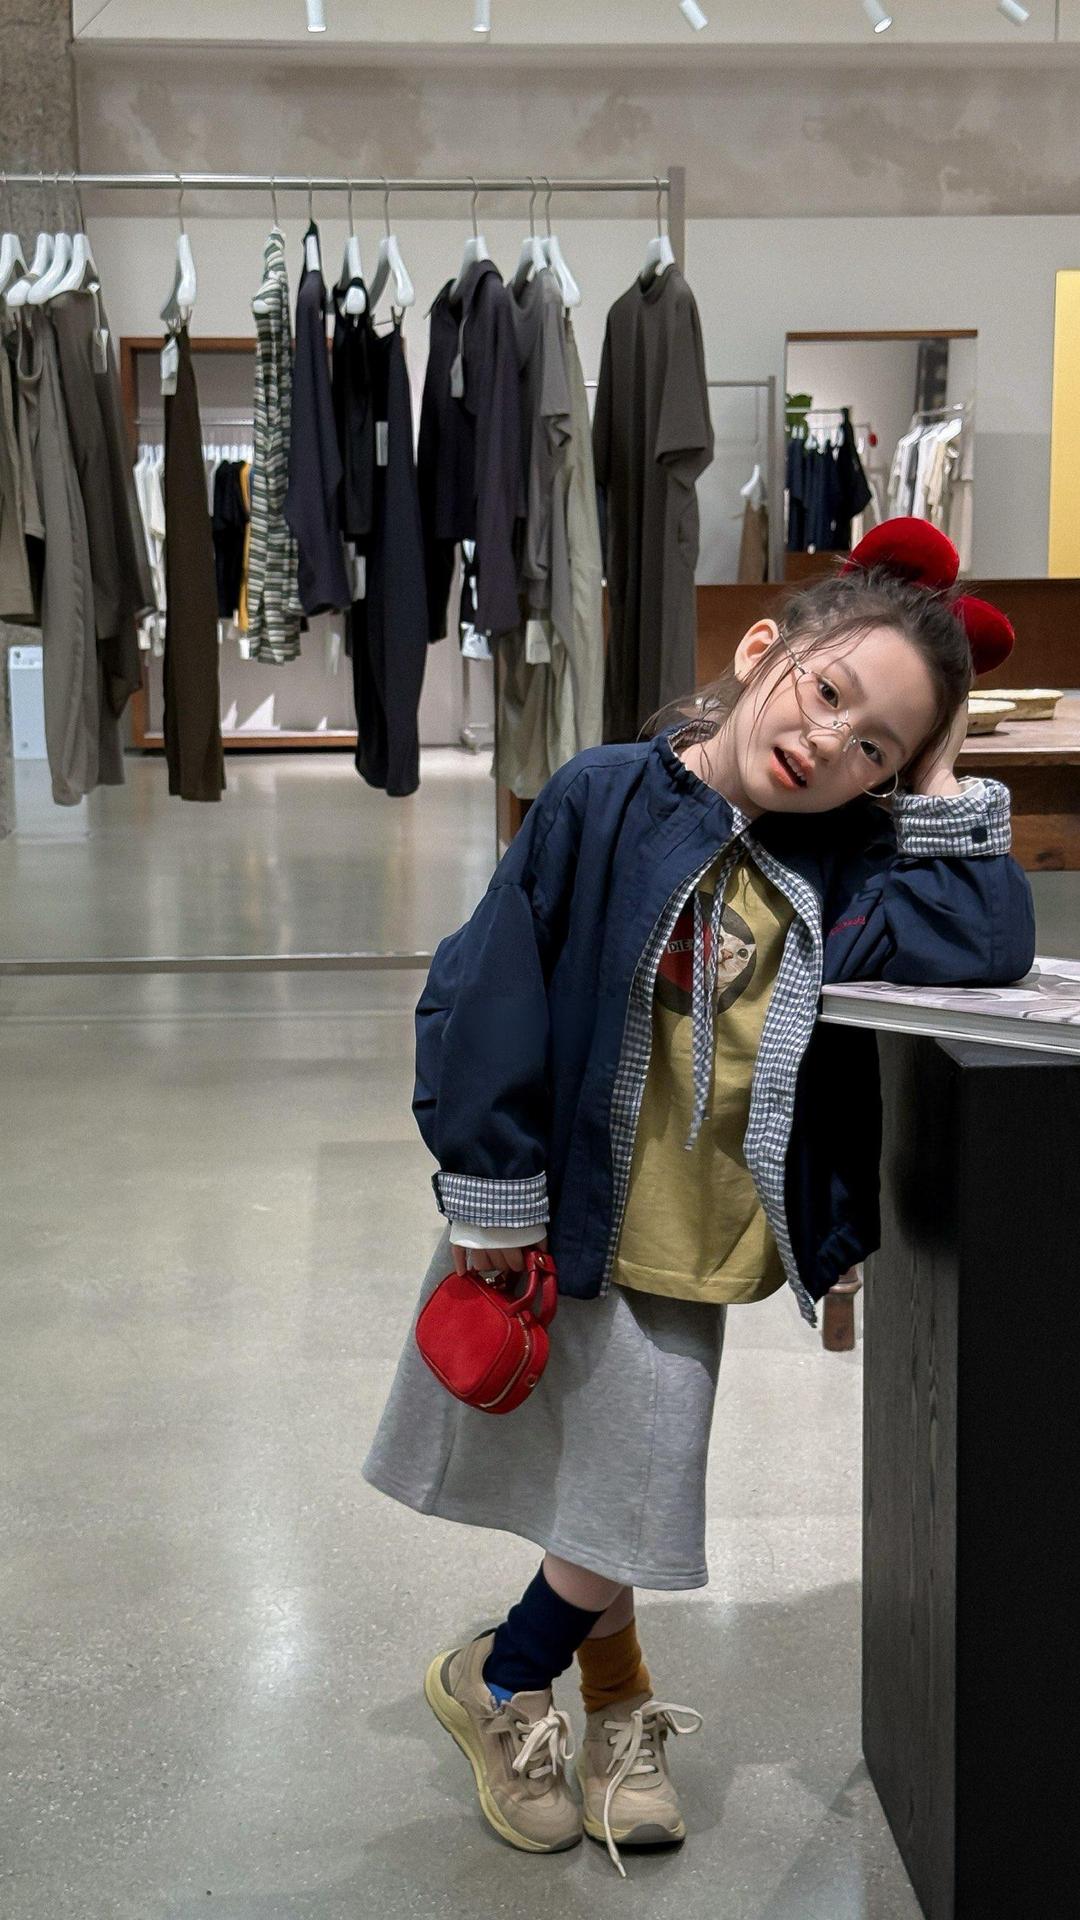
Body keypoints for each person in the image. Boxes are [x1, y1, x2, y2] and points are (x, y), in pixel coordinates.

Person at [361, 521, 1036, 1876]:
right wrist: (492, 1188)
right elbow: (488, 984)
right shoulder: (604, 797)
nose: (830, 745)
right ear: (762, 650)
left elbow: (984, 941)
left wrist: (942, 769)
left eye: (876, 750)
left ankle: (514, 1675)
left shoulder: (841, 860)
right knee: (612, 1480)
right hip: (559, 1206)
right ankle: (577, 1694)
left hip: (698, 1231)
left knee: (630, 1480)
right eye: (828, 693)